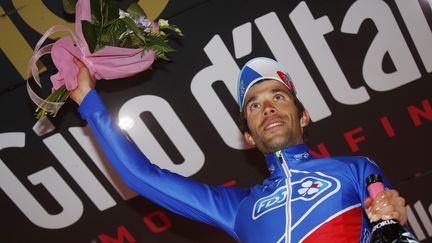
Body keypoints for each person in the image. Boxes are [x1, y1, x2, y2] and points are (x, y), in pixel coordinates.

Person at [70, 57, 410, 242]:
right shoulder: (237, 207)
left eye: (278, 97)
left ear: (303, 116)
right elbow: (141, 176)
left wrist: (390, 228)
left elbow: (396, 235)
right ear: (248, 136)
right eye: (254, 106)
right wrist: (88, 100)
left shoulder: (356, 168)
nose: (268, 109)